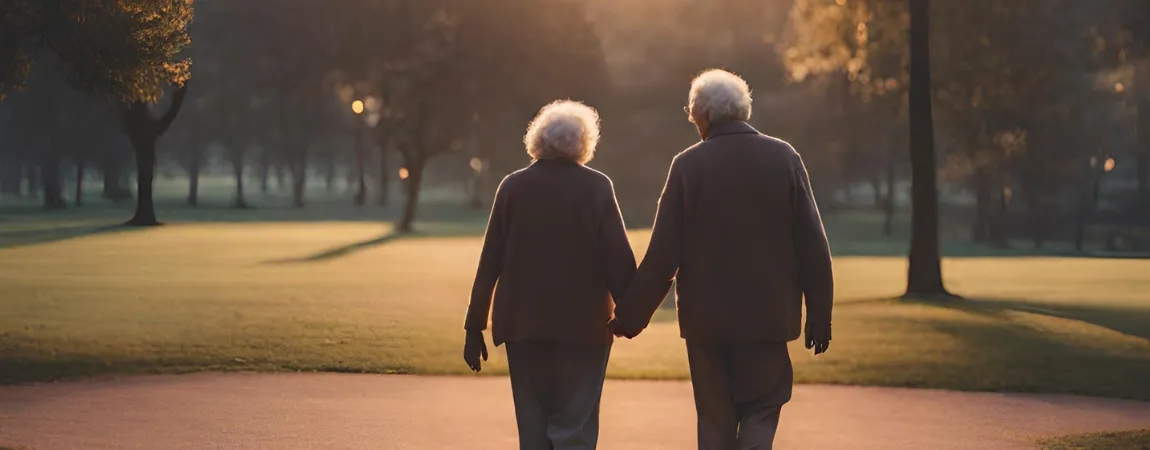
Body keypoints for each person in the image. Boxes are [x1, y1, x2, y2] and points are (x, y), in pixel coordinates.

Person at [611, 69, 834, 450]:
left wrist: (630, 318)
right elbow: (812, 244)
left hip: (706, 324)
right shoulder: (783, 158)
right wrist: (819, 313)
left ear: (702, 116)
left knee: (714, 417)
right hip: (767, 318)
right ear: (743, 110)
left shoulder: (687, 166)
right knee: (763, 409)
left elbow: (663, 255)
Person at [463, 100, 636, 450]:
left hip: (523, 327)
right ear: (585, 142)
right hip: (585, 328)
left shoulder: (513, 187)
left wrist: (474, 327)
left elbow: (489, 262)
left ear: (537, 140)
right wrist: (631, 314)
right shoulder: (597, 187)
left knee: (533, 428)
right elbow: (619, 261)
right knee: (575, 428)